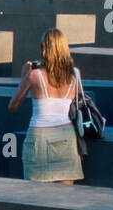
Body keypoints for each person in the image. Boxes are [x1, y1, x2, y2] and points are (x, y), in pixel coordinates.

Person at [6, 28, 84, 184]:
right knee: (65, 197)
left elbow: (12, 107)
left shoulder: (34, 75)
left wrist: (24, 76)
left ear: (44, 49)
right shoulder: (75, 74)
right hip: (66, 136)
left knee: (36, 198)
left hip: (39, 137)